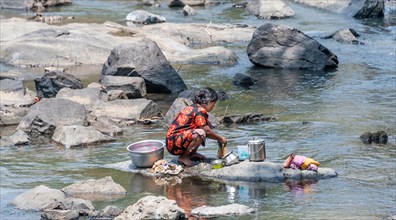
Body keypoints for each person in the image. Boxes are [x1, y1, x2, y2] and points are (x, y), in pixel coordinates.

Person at [166, 87, 227, 167]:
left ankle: (191, 154)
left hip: (174, 141)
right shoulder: (200, 111)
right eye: (213, 103)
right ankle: (184, 157)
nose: (214, 105)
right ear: (208, 102)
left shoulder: (195, 107)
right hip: (173, 143)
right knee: (201, 132)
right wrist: (221, 139)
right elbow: (207, 132)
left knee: (205, 127)